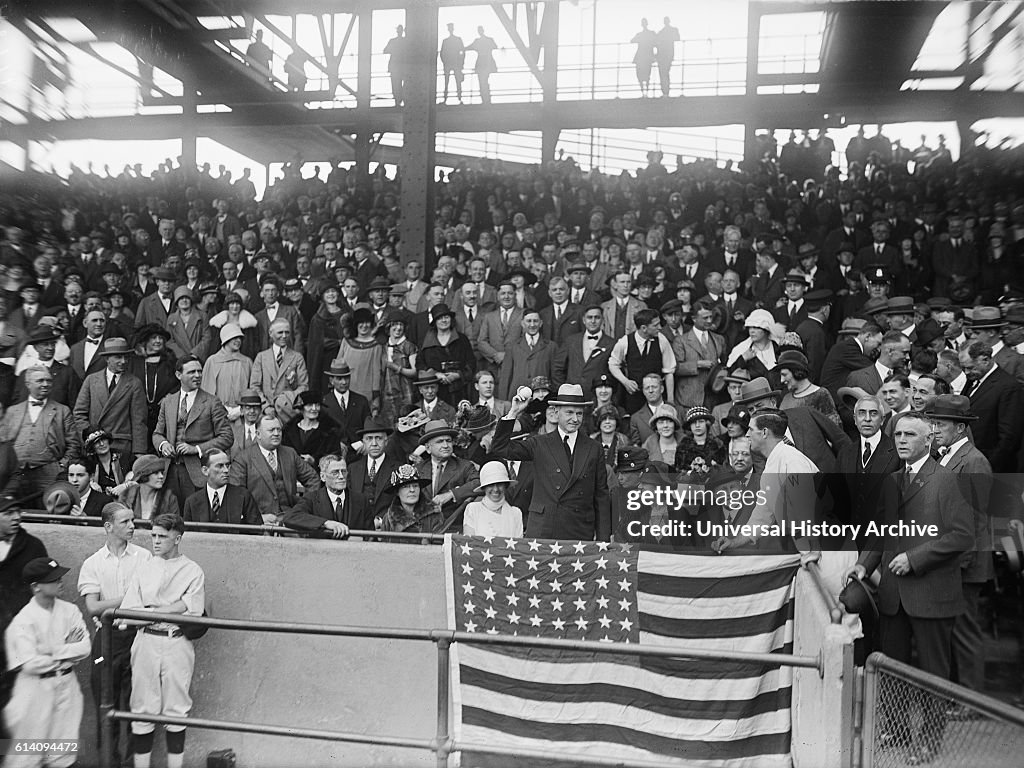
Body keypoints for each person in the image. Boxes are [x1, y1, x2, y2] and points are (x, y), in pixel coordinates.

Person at [847, 413, 974, 765]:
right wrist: (864, 564)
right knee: (893, 667)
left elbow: (963, 535)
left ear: (928, 441)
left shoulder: (947, 480)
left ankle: (929, 742)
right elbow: (880, 532)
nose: (901, 440)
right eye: (898, 434)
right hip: (893, 593)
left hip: (931, 591)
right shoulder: (891, 480)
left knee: (933, 673)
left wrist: (915, 559)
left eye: (910, 435)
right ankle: (898, 729)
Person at [121, 513, 205, 768]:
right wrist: (172, 608)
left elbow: (195, 611)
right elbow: (129, 615)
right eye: (153, 536)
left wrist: (152, 610)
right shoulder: (144, 566)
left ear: (177, 538)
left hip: (176, 641)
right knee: (142, 708)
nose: (155, 541)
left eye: (162, 536)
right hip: (145, 640)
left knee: (176, 709)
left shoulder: (192, 570)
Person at [924, 395, 993, 698]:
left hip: (965, 563)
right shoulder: (946, 456)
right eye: (933, 423)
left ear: (961, 428)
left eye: (941, 424)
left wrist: (958, 562)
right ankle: (961, 695)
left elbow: (976, 518)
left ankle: (971, 699)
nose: (935, 428)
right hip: (952, 560)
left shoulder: (974, 460)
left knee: (965, 632)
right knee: (955, 631)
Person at [78, 502, 152, 766]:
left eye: (132, 520)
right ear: (108, 526)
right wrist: (130, 598)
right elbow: (93, 607)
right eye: (125, 522)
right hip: (107, 640)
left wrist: (119, 603)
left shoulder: (145, 557)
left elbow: (151, 600)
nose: (132, 526)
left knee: (138, 711)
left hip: (139, 636)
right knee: (106, 710)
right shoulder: (93, 563)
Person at [491, 383, 611, 540]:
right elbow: (500, 448)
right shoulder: (539, 443)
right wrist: (514, 412)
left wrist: (603, 541)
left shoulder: (594, 448)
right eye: (569, 412)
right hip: (544, 530)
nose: (575, 419)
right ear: (556, 412)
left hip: (580, 531)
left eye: (579, 414)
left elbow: (601, 496)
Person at [4, 557, 90, 768]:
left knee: (62, 754)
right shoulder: (23, 620)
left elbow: (85, 648)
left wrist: (50, 651)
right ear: (36, 587)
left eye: (59, 577)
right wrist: (65, 649)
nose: (60, 582)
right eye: (52, 579)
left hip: (67, 685)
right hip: (35, 690)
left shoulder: (70, 611)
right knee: (27, 756)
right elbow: (30, 664)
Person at [152, 355, 233, 507]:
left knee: (195, 516)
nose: (197, 375)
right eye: (191, 372)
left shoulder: (212, 402)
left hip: (198, 471)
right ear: (178, 375)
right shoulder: (168, 401)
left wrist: (196, 449)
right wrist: (163, 445)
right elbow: (157, 433)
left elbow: (227, 437)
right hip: (169, 470)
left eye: (199, 371)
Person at [0, 495, 48, 724]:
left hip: (22, 640)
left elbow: (45, 593)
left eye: (17, 511)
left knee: (19, 707)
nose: (16, 517)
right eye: (8, 513)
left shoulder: (33, 547)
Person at [0, 366, 80, 499]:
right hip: (15, 474)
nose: (45, 384)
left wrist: (61, 466)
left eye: (48, 381)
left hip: (49, 473)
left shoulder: (62, 411)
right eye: (40, 381)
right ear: (28, 384)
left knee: (47, 509)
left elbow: (74, 444)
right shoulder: (12, 411)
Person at [229, 413, 321, 525]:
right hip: (259, 524)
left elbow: (313, 479)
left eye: (279, 430)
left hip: (290, 520)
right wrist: (257, 517)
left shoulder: (290, 453)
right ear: (258, 434)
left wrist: (303, 507)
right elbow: (236, 494)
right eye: (271, 430)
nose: (276, 434)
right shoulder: (243, 459)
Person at [73, 336, 149, 460]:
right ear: (107, 358)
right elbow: (79, 413)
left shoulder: (134, 383)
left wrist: (139, 452)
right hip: (95, 444)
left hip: (121, 445)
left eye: (126, 357)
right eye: (118, 357)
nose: (123, 361)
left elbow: (139, 421)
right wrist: (90, 436)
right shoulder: (91, 380)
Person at [415, 419, 480, 530]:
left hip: (454, 529)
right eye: (440, 441)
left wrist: (451, 494)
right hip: (422, 529)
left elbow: (479, 483)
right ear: (427, 448)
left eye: (448, 441)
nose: (446, 445)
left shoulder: (465, 466)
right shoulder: (418, 469)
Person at [283, 454, 370, 537]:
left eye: (343, 471)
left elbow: (370, 536)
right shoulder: (312, 499)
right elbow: (290, 517)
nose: (341, 476)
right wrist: (325, 523)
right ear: (323, 476)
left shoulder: (361, 500)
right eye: (335, 472)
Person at [181, 450, 261, 527]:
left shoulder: (243, 496)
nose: (226, 470)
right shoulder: (192, 502)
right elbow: (188, 536)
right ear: (205, 470)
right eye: (220, 466)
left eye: (227, 465)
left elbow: (257, 533)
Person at [250, 318, 309, 420]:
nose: (284, 336)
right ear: (270, 333)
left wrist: (285, 400)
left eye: (287, 332)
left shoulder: (297, 357)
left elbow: (303, 386)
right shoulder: (261, 357)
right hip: (267, 414)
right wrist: (266, 407)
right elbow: (254, 386)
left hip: (289, 412)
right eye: (280, 332)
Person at [672, 299, 725, 409]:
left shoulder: (719, 340)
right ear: (694, 318)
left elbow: (725, 365)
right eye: (705, 318)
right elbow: (676, 368)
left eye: (711, 317)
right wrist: (697, 364)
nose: (710, 321)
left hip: (713, 400)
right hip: (688, 400)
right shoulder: (681, 341)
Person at [418, 304, 475, 405]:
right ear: (435, 322)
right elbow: (420, 364)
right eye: (440, 318)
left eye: (446, 317)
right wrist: (436, 374)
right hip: (435, 391)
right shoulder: (426, 341)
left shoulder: (462, 339)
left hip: (460, 389)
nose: (444, 320)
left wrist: (457, 375)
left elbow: (471, 362)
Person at [347, 418, 401, 521]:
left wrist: (382, 521)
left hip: (387, 528)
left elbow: (401, 503)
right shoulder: (352, 468)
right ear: (363, 442)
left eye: (379, 438)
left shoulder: (398, 468)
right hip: (358, 526)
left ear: (386, 442)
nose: (374, 443)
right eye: (369, 438)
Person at [200, 323, 252, 423]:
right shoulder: (213, 361)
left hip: (242, 416)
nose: (238, 341)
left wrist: (239, 410)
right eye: (234, 337)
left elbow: (251, 389)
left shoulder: (247, 362)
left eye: (240, 338)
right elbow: (206, 392)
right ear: (226, 338)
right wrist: (222, 409)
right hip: (218, 416)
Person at [334, 307, 384, 409]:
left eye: (367, 322)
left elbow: (376, 371)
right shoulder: (346, 342)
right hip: (345, 389)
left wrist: (375, 395)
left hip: (365, 393)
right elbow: (337, 366)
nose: (364, 325)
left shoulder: (375, 345)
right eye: (361, 322)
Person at [778, 350, 841, 426]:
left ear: (796, 372)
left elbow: (834, 429)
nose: (782, 380)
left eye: (784, 375)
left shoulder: (821, 394)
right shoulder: (786, 398)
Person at [376, 463, 441, 536]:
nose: (412, 490)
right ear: (397, 492)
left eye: (415, 486)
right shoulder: (388, 519)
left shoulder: (433, 514)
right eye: (405, 487)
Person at [320, 362, 373, 451]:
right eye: (339, 379)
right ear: (331, 380)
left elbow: (368, 426)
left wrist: (364, 442)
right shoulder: (324, 403)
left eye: (346, 378)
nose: (344, 382)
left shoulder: (361, 401)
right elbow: (322, 432)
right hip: (334, 452)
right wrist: (335, 444)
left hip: (360, 452)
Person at [463, 461, 523, 537]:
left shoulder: (515, 513)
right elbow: (469, 542)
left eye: (500, 484)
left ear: (505, 486)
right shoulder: (473, 509)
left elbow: (518, 545)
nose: (495, 489)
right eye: (490, 485)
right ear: (484, 488)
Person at [282, 390, 340, 468]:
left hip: (317, 476)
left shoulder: (329, 431)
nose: (314, 408)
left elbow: (335, 459)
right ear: (301, 408)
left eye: (317, 405)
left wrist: (315, 461)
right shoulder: (289, 430)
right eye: (309, 405)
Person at [119, 454, 179, 521]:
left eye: (162, 472)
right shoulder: (126, 496)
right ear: (144, 476)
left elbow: (174, 525)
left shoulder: (169, 498)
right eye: (156, 473)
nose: (161, 476)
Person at [85, 426, 133, 496]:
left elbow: (139, 473)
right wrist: (90, 484)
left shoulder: (125, 456)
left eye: (103, 439)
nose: (101, 444)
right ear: (92, 446)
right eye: (97, 442)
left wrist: (126, 485)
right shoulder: (89, 462)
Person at [467, 26, 497, 104]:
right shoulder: (489, 40)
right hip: (487, 61)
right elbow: (495, 46)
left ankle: (484, 98)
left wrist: (460, 49)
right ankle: (487, 98)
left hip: (482, 62)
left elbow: (469, 47)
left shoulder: (478, 41)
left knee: (482, 81)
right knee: (484, 80)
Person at [439, 22, 466, 103]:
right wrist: (461, 63)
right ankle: (459, 98)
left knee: (447, 81)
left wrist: (444, 62)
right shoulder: (457, 40)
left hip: (449, 63)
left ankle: (446, 98)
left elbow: (442, 53)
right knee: (456, 81)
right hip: (455, 63)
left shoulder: (446, 41)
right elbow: (462, 52)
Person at [654, 16, 680, 97]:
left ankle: (665, 91)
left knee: (663, 73)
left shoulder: (661, 32)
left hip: (663, 55)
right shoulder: (671, 30)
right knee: (665, 73)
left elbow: (656, 42)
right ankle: (666, 91)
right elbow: (677, 38)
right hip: (667, 55)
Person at [630, 18, 656, 97]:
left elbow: (632, 40)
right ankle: (645, 93)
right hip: (647, 57)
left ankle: (644, 93)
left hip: (641, 57)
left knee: (641, 76)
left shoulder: (641, 35)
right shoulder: (651, 34)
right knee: (646, 75)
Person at [383, 25, 407, 106]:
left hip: (394, 65)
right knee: (405, 83)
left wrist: (394, 50)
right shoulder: (405, 41)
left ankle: (397, 101)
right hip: (404, 65)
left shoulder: (392, 41)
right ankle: (402, 99)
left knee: (395, 84)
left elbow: (385, 50)